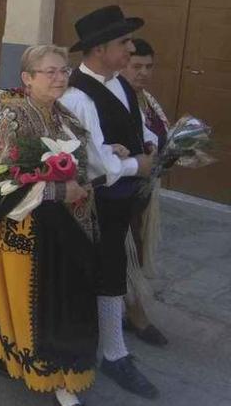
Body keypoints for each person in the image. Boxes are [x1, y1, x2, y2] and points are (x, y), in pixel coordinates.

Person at [0, 45, 99, 406]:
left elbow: (83, 163)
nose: (60, 77)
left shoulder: (66, 117)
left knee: (54, 295)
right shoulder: (12, 117)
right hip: (20, 226)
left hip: (62, 226)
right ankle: (20, 356)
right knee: (22, 296)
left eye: (64, 71)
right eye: (51, 72)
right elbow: (3, 180)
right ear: (27, 78)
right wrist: (59, 187)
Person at [59, 5, 158, 400]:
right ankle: (103, 353)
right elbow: (97, 161)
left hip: (120, 201)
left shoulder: (117, 82)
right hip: (94, 203)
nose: (130, 48)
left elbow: (132, 124)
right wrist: (139, 163)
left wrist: (146, 141)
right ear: (99, 49)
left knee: (112, 272)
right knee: (97, 275)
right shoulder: (79, 96)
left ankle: (113, 348)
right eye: (124, 42)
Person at [119, 38, 169, 347]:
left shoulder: (147, 101)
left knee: (135, 250)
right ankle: (135, 314)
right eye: (136, 66)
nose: (143, 73)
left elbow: (162, 135)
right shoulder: (112, 100)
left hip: (142, 192)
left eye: (149, 67)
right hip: (117, 191)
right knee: (123, 252)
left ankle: (131, 309)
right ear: (120, 64)